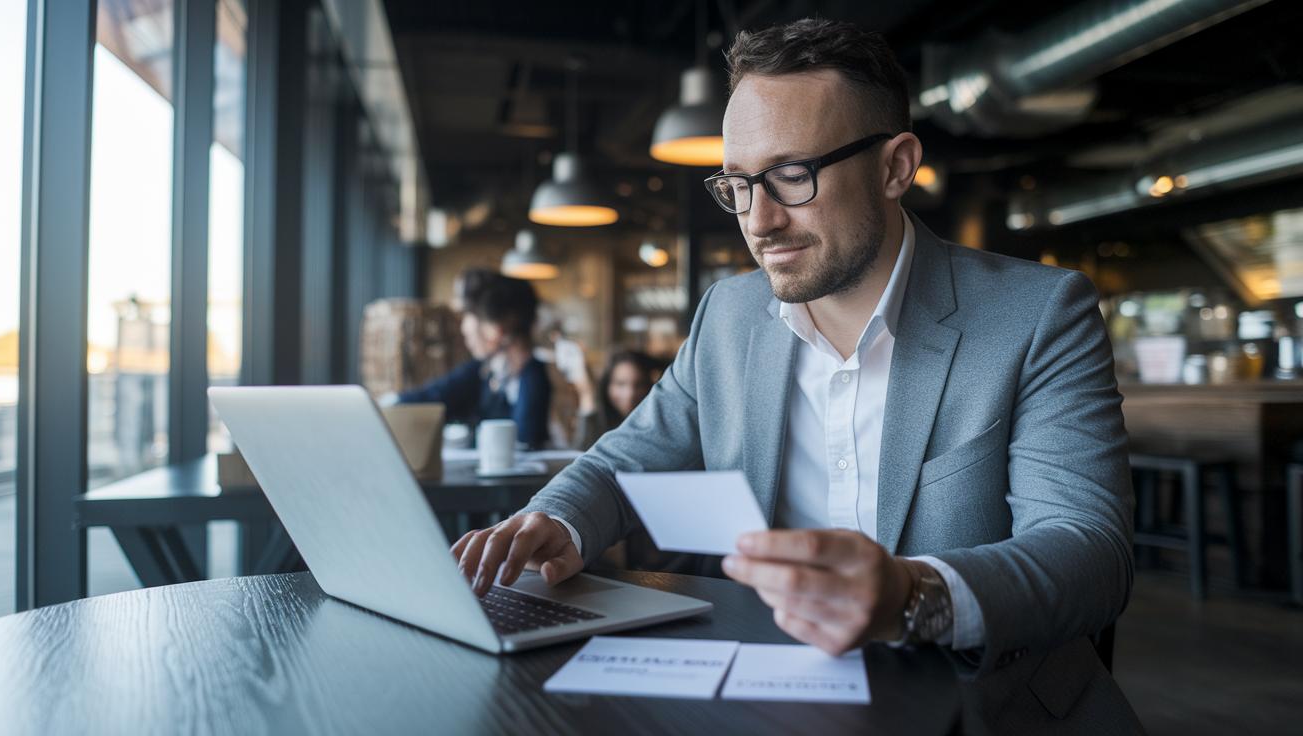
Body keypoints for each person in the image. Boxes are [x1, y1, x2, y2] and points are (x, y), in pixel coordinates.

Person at [452, 19, 1138, 730]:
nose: (760, 221)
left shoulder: (1037, 313)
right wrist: (554, 518)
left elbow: (1090, 550)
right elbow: (631, 455)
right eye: (739, 184)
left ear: (895, 166)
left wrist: (912, 594)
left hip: (985, 706)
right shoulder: (729, 315)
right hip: (772, 699)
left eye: (791, 175)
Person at [398, 276, 551, 449]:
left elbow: (526, 441)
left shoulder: (532, 375)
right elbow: (434, 396)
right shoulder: (484, 370)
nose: (465, 328)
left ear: (497, 328)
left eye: (471, 316)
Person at [570, 350, 660, 450]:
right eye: (620, 384)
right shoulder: (599, 420)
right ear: (606, 386)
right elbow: (579, 456)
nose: (630, 394)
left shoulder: (658, 424)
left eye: (639, 385)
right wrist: (588, 400)